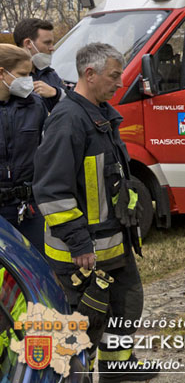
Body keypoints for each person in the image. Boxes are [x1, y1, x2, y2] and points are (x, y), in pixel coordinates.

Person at [32, 43, 158, 382]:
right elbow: (51, 190)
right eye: (114, 76)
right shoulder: (69, 120)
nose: (120, 83)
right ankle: (75, 376)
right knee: (85, 319)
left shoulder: (98, 114)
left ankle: (118, 367)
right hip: (84, 252)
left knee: (123, 307)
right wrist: (79, 243)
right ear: (90, 74)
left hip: (111, 243)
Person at [0, 44, 48, 251]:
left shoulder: (35, 106)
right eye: (22, 74)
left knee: (39, 269)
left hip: (28, 208)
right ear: (2, 72)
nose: (28, 81)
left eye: (30, 74)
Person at [13, 18, 67, 111]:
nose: (52, 48)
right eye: (47, 43)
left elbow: (73, 102)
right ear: (28, 43)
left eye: (52, 43)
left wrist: (56, 93)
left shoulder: (49, 73)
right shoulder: (10, 77)